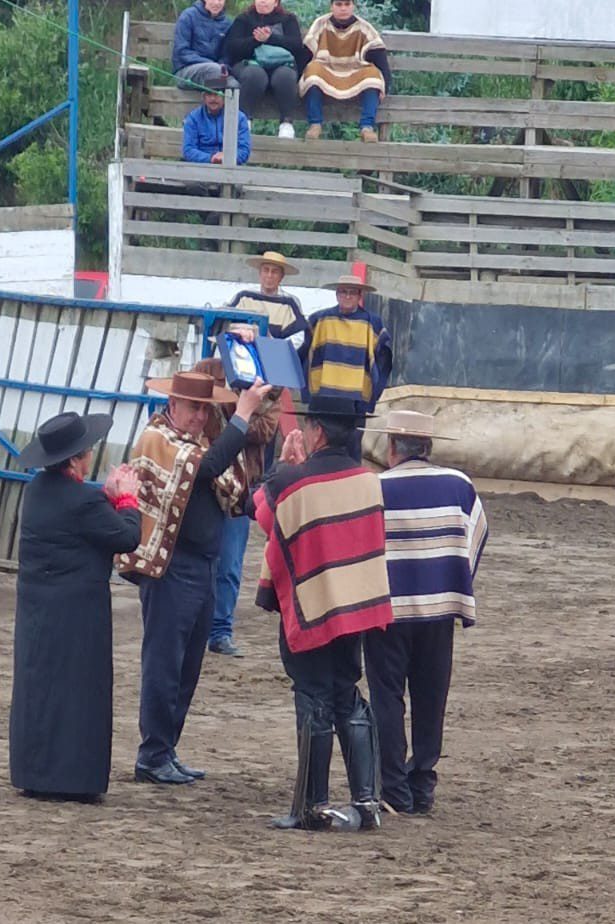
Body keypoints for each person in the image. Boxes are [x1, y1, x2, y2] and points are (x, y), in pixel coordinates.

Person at [246, 396, 394, 831]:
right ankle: (367, 801)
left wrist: (283, 467)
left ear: (318, 433)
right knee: (348, 691)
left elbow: (266, 516)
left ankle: (313, 804)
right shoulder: (369, 482)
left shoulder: (292, 483)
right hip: (356, 606)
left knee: (312, 696)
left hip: (312, 606)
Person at [117, 371, 271, 784]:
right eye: (193, 407)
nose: (200, 416)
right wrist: (240, 417)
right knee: (165, 663)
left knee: (187, 666)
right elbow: (207, 470)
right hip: (170, 566)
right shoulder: (158, 438)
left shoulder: (193, 443)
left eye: (205, 409)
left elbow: (230, 483)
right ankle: (152, 753)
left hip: (201, 564)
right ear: (173, 405)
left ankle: (165, 748)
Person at [9, 412, 141, 803]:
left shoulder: (36, 490)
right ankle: (73, 778)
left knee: (39, 686)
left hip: (36, 606)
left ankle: (33, 771)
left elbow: (80, 511)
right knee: (79, 691)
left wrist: (106, 496)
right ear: (74, 460)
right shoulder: (83, 501)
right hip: (78, 610)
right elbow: (127, 536)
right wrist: (126, 499)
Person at [363, 410, 488, 814]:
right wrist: (451, 576)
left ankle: (394, 788)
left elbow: (360, 546)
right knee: (431, 697)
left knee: (387, 696)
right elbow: (478, 533)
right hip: (439, 611)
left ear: (392, 447)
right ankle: (423, 784)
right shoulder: (459, 485)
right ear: (429, 448)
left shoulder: (374, 487)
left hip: (387, 610)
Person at [193, 356, 282, 657]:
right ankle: (206, 628)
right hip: (208, 479)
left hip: (239, 485)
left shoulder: (269, 381)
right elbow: (201, 411)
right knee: (199, 558)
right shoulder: (208, 369)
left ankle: (220, 630)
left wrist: (229, 421)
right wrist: (243, 415)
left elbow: (266, 429)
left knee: (229, 563)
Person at [304, 273, 392, 460]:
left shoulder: (372, 322)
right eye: (343, 292)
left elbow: (385, 359)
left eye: (352, 292)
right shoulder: (319, 320)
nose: (347, 296)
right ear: (337, 294)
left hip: (356, 401)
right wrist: (307, 392)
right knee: (318, 448)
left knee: (352, 451)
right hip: (324, 398)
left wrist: (372, 396)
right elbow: (304, 355)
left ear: (360, 295)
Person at [299, 0, 392, 142]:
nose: (343, 8)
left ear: (353, 6)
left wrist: (386, 85)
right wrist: (298, 79)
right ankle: (315, 124)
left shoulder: (364, 27)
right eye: (339, 4)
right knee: (312, 70)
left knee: (373, 75)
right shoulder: (320, 24)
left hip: (354, 72)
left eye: (347, 4)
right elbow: (306, 53)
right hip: (326, 71)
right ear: (332, 6)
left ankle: (367, 127)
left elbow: (379, 57)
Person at [224, 0, 303, 139]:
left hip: (281, 64)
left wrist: (270, 38)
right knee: (254, 75)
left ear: (276, 2)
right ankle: (244, 121)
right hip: (249, 64)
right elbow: (232, 48)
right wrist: (255, 40)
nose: (263, 1)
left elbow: (296, 46)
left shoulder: (288, 19)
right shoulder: (243, 19)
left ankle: (286, 123)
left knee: (285, 76)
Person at [225, 251, 309, 353]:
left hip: (275, 357)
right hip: (243, 354)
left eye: (274, 271)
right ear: (260, 273)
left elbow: (298, 337)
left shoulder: (289, 303)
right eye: (266, 270)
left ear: (281, 276)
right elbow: (225, 323)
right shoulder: (244, 297)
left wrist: (276, 348)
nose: (269, 275)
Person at [182, 75, 252, 165]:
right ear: (204, 97)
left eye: (217, 94)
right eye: (209, 94)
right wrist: (211, 158)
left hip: (231, 167)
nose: (212, 98)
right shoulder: (193, 118)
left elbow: (244, 151)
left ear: (225, 96)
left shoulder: (239, 118)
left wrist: (226, 157)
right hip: (202, 167)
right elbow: (188, 150)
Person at [172, 0, 233, 89]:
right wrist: (210, 63)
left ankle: (215, 96)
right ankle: (211, 98)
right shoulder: (188, 16)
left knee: (235, 86)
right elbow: (182, 51)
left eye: (220, 0)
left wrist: (224, 66)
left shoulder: (227, 23)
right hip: (186, 71)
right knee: (215, 73)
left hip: (216, 73)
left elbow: (226, 55)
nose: (216, 3)